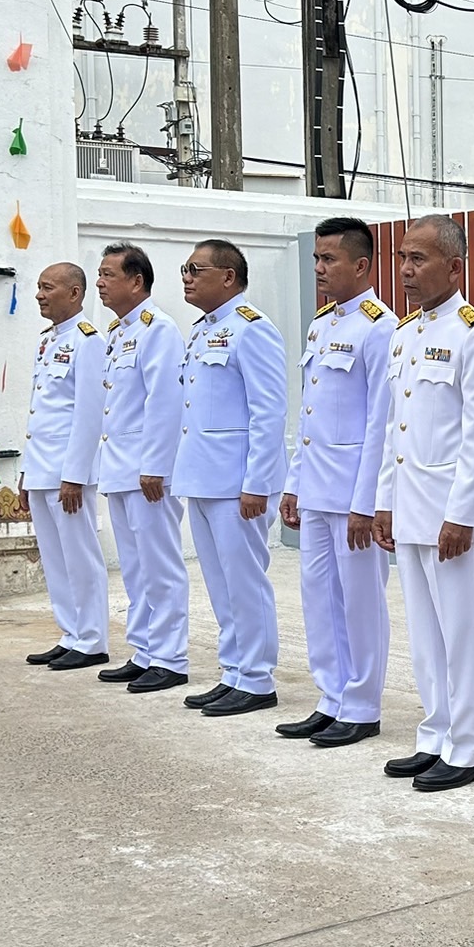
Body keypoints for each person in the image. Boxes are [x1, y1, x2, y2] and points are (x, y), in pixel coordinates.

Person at [374, 214, 474, 792]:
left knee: (462, 633)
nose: (406, 269)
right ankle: (435, 734)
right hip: (410, 508)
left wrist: (464, 514)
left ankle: (469, 746)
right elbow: (392, 430)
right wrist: (384, 501)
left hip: (452, 515)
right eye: (403, 257)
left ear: (454, 267)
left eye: (419, 259)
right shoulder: (404, 334)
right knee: (425, 635)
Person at [276, 218, 395, 747]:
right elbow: (312, 413)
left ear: (362, 265)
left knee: (360, 599)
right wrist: (293, 483)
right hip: (318, 486)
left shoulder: (380, 326)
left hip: (353, 493)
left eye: (329, 260)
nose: (320, 268)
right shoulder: (321, 325)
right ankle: (332, 697)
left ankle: (363, 703)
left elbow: (381, 423)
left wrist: (366, 502)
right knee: (319, 595)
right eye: (317, 259)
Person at [172, 239, 289, 718]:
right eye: (184, 269)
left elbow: (269, 411)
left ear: (228, 276)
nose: (186, 277)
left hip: (238, 480)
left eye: (195, 269)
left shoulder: (252, 330)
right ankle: (234, 671)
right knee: (219, 582)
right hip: (202, 475)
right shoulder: (203, 331)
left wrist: (257, 482)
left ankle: (258, 677)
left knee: (244, 580)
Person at [92, 243, 191, 694]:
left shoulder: (159, 329)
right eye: (99, 274)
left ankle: (170, 657)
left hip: (147, 472)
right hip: (120, 468)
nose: (100, 283)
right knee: (134, 567)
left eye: (108, 275)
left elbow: (164, 402)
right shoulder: (119, 331)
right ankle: (145, 650)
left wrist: (155, 465)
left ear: (137, 281)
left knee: (160, 565)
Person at [20, 262, 111, 671]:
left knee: (79, 555)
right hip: (43, 466)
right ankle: (70, 632)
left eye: (48, 287)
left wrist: (74, 474)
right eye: (38, 287)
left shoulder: (89, 341)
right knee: (54, 557)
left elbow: (90, 413)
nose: (40, 295)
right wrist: (27, 470)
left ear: (74, 293)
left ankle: (92, 639)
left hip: (67, 472)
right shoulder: (48, 340)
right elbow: (42, 410)